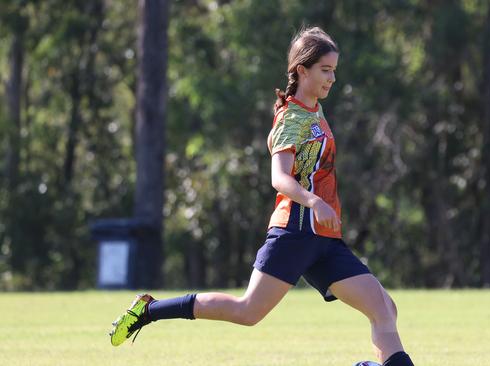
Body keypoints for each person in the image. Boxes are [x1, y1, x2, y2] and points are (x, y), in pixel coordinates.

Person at [109, 26, 414, 366]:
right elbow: (279, 178)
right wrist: (313, 201)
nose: (332, 78)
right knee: (247, 311)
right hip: (294, 234)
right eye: (325, 70)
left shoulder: (314, 110)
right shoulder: (290, 118)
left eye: (334, 71)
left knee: (385, 308)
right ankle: (149, 310)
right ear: (302, 70)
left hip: (325, 239)